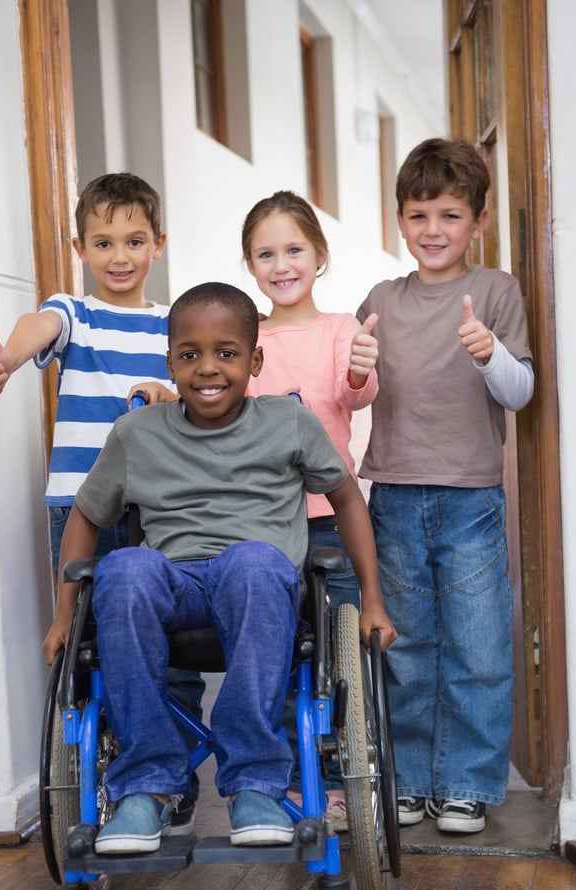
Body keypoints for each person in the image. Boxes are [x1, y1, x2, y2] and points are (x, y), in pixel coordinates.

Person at [41, 282, 396, 853]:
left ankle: (254, 782)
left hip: (260, 584)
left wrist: (372, 602)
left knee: (253, 561)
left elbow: (348, 499)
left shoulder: (289, 423)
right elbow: (85, 515)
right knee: (125, 568)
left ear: (255, 360)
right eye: (190, 355)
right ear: (170, 361)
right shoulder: (136, 434)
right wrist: (64, 617)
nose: (208, 368)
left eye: (227, 353)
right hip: (174, 584)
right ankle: (147, 786)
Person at [0, 172, 199, 832]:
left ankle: (172, 774)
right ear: (80, 246)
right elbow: (35, 325)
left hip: (159, 507)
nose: (120, 255)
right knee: (86, 641)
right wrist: (8, 360)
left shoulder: (172, 323)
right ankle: (103, 772)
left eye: (134, 240)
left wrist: (170, 398)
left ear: (158, 243)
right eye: (103, 242)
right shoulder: (75, 312)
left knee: (171, 641)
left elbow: (198, 390)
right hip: (81, 505)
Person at [357, 137, 534, 835]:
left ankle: (463, 785)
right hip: (394, 494)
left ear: (479, 222)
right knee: (405, 646)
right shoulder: (380, 298)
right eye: (419, 215)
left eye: (450, 215)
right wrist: (356, 369)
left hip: (469, 497)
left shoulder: (495, 291)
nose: (433, 231)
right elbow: (357, 393)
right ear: (400, 220)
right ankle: (408, 780)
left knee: (478, 646)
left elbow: (518, 394)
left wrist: (490, 354)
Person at [241, 190, 379, 827]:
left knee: (336, 652)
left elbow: (357, 396)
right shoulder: (247, 340)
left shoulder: (340, 328)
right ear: (250, 265)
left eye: (294, 249)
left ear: (319, 256)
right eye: (265, 253)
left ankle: (344, 773)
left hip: (330, 514)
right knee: (274, 649)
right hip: (264, 521)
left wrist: (358, 370)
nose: (281, 263)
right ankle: (282, 779)